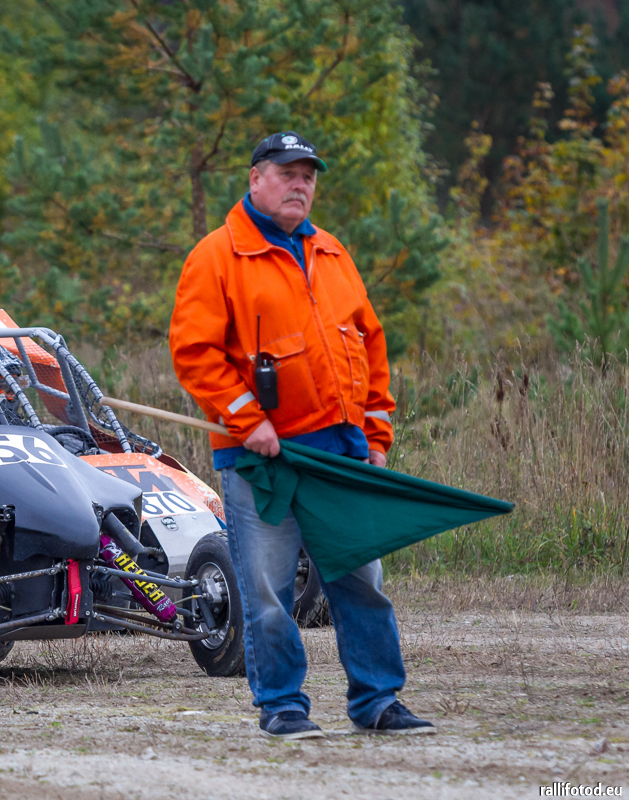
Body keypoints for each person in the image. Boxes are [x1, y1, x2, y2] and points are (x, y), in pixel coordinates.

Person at [169, 131, 434, 740]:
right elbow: (194, 351)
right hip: (261, 460)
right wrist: (249, 420)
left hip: (342, 455)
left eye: (308, 176)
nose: (300, 185)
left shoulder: (332, 253)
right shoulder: (217, 256)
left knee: (361, 582)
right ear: (256, 178)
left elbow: (370, 346)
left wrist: (376, 435)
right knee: (268, 590)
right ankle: (282, 705)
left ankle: (377, 700)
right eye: (287, 173)